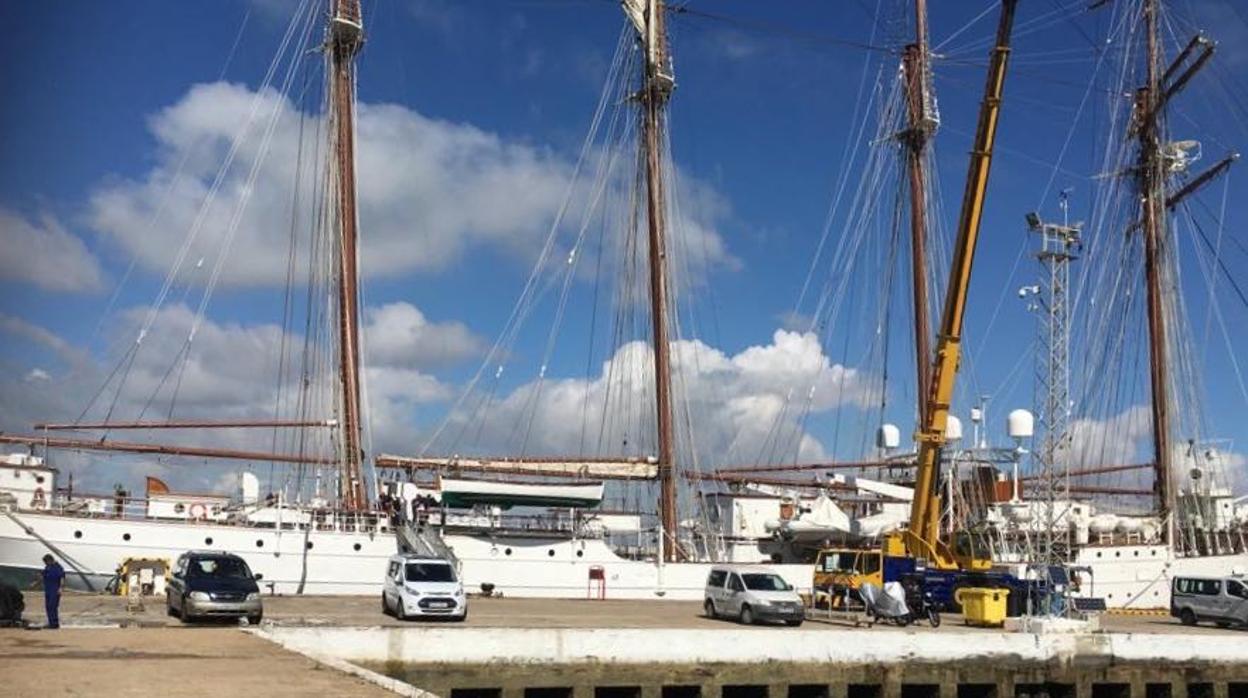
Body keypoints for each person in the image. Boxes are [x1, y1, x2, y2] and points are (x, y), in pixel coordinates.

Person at [41, 554, 64, 629]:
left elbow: (62, 578)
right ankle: (51, 622)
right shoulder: (48, 567)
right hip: (48, 589)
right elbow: (43, 575)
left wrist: (60, 588)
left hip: (54, 589)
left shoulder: (58, 567)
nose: (45, 564)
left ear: (50, 560)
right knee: (48, 606)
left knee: (53, 606)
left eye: (46, 562)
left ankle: (54, 623)